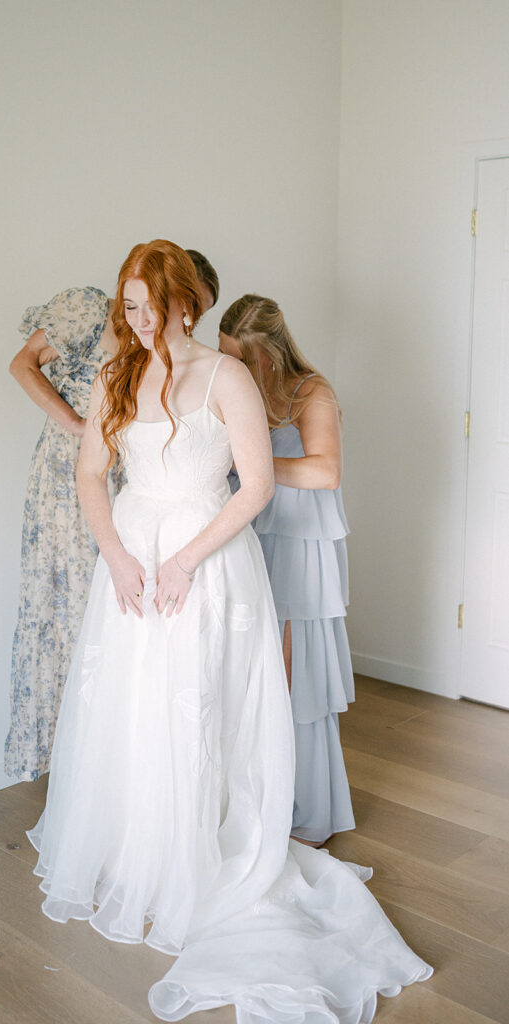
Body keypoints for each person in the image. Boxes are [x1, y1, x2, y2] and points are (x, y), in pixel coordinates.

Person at [27, 240, 431, 1022]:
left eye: (146, 303)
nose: (135, 319)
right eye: (128, 305)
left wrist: (181, 561)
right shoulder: (119, 373)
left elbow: (251, 487)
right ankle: (137, 845)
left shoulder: (227, 375)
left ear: (185, 302)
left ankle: (202, 847)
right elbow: (89, 474)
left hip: (206, 562)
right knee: (132, 700)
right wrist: (114, 555)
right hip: (129, 560)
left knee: (198, 702)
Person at [4, 252, 219, 781]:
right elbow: (21, 364)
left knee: (120, 617)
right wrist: (78, 424)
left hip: (130, 481)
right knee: (69, 607)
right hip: (67, 482)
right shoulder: (88, 311)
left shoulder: (167, 355)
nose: (176, 323)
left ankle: (124, 759)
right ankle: (68, 759)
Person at [219, 295, 354, 847]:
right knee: (248, 673)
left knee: (293, 678)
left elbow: (325, 471)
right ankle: (254, 798)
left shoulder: (310, 392)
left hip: (298, 545)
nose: (232, 368)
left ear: (269, 355)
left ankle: (304, 808)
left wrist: (251, 461)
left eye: (241, 358)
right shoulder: (237, 389)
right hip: (250, 539)